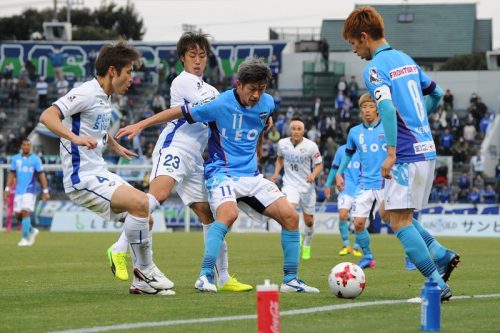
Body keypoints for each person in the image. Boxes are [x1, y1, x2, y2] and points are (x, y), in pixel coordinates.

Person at [116, 57, 319, 293]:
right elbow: (178, 112)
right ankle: (204, 276)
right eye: (252, 89)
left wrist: (260, 148)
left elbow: (264, 122)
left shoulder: (268, 103)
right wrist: (141, 124)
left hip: (251, 176)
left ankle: (291, 280)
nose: (256, 95)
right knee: (227, 215)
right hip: (220, 172)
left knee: (291, 218)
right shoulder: (220, 104)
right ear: (239, 84)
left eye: (261, 89)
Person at [108, 32, 252, 292]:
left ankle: (223, 277)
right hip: (175, 147)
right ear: (183, 59)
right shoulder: (184, 81)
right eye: (192, 56)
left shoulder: (212, 89)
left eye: (202, 56)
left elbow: (226, 115)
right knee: (156, 197)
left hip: (196, 158)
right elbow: (209, 112)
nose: (197, 61)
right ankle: (118, 249)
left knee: (208, 215)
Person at [39, 41, 175, 296]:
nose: (131, 79)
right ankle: (145, 269)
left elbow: (95, 127)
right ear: (112, 71)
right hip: (82, 178)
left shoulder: (105, 96)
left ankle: (142, 283)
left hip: (98, 171)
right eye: (129, 72)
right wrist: (74, 138)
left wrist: (113, 145)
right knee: (141, 203)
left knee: (146, 217)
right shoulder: (86, 92)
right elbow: (47, 116)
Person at [343, 6, 459, 301]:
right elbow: (438, 93)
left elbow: (385, 108)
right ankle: (440, 253)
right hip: (426, 148)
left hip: (405, 154)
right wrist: (418, 120)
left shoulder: (374, 68)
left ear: (365, 37)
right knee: (388, 212)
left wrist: (392, 152)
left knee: (398, 222)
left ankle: (435, 284)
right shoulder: (406, 60)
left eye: (354, 44)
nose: (355, 51)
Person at [335, 93, 387, 269]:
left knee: (396, 221)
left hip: (386, 182)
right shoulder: (355, 132)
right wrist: (339, 173)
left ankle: (411, 255)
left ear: (377, 109)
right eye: (364, 107)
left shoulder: (388, 127)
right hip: (365, 184)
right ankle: (368, 256)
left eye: (371, 107)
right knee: (358, 223)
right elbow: (348, 154)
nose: (367, 111)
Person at [271, 117, 324, 260]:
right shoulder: (282, 144)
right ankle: (297, 237)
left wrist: (313, 175)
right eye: (293, 128)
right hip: (289, 184)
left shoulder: (311, 146)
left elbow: (319, 164)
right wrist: (276, 173)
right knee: (289, 211)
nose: (296, 131)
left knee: (309, 221)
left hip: (306, 187)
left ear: (303, 131)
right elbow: (280, 159)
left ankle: (307, 244)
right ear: (290, 130)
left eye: (299, 129)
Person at [4, 138, 49, 246]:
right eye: (24, 145)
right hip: (18, 191)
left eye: (28, 145)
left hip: (30, 190)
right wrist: (7, 188)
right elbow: (11, 174)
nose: (26, 147)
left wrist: (45, 190)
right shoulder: (15, 159)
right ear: (21, 146)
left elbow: (41, 175)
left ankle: (24, 239)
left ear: (30, 146)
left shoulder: (35, 159)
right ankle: (32, 231)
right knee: (18, 215)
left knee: (25, 212)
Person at [324, 143, 362, 257]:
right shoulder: (341, 150)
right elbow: (334, 168)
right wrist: (327, 185)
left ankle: (357, 246)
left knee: (359, 220)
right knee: (342, 215)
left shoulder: (365, 149)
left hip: (362, 189)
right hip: (345, 188)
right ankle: (346, 245)